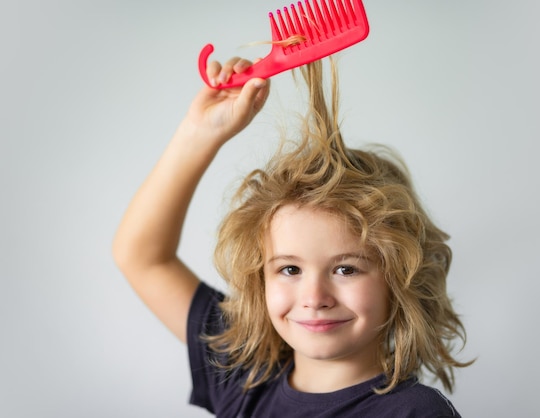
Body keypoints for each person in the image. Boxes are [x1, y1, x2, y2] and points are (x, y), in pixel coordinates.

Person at [113, 56, 472, 417]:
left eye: (346, 269)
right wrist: (200, 132)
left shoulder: (413, 412)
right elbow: (141, 256)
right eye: (289, 269)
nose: (314, 298)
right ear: (261, 279)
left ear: (399, 278)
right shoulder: (244, 374)